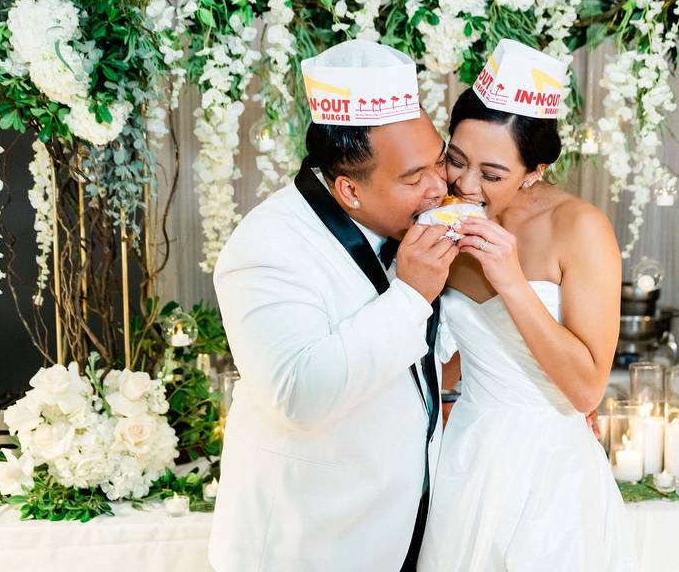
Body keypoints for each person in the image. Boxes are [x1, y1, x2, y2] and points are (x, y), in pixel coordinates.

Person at [208, 39, 454, 571]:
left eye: (439, 161)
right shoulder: (265, 249)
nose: (440, 187)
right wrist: (411, 295)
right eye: (414, 178)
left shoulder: (408, 225)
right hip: (306, 545)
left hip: (398, 535)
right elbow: (301, 394)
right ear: (349, 190)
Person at [418, 39, 638, 571]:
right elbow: (437, 361)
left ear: (534, 170)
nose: (466, 185)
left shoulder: (579, 228)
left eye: (492, 175)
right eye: (456, 160)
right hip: (465, 456)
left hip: (550, 473)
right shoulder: (434, 216)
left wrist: (512, 282)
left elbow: (586, 387)